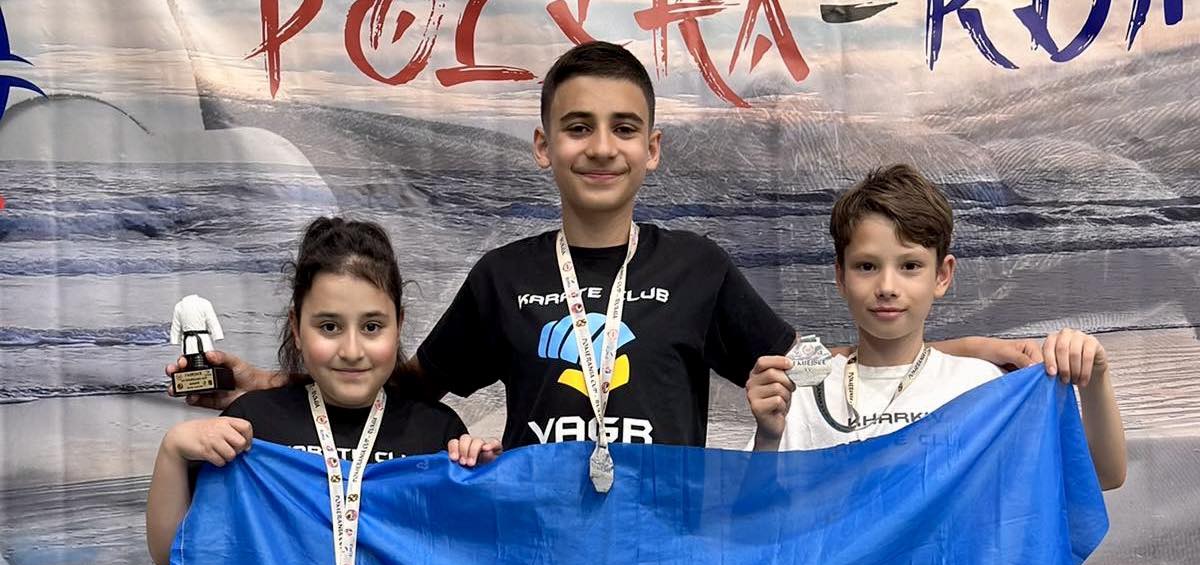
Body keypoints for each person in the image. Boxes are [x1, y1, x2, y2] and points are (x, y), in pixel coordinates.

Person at [168, 43, 1038, 452]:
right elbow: (403, 385)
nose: (601, 147)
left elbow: (814, 367)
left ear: (653, 149)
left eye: (624, 128)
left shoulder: (697, 267)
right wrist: (275, 383)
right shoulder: (504, 275)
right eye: (577, 127)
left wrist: (959, 352)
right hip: (534, 564)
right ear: (543, 146)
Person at [146, 217, 500, 565]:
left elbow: (470, 561)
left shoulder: (437, 431)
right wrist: (173, 452)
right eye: (329, 327)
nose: (351, 350)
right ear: (296, 328)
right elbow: (171, 553)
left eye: (372, 327)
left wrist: (481, 480)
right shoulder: (252, 423)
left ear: (399, 325)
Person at [744, 164, 1126, 490]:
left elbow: (1101, 476)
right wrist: (768, 439)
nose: (887, 287)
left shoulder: (981, 385)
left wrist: (1096, 379)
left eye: (910, 266)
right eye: (866, 266)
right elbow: (753, 524)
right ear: (841, 276)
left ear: (942, 275)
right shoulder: (804, 395)